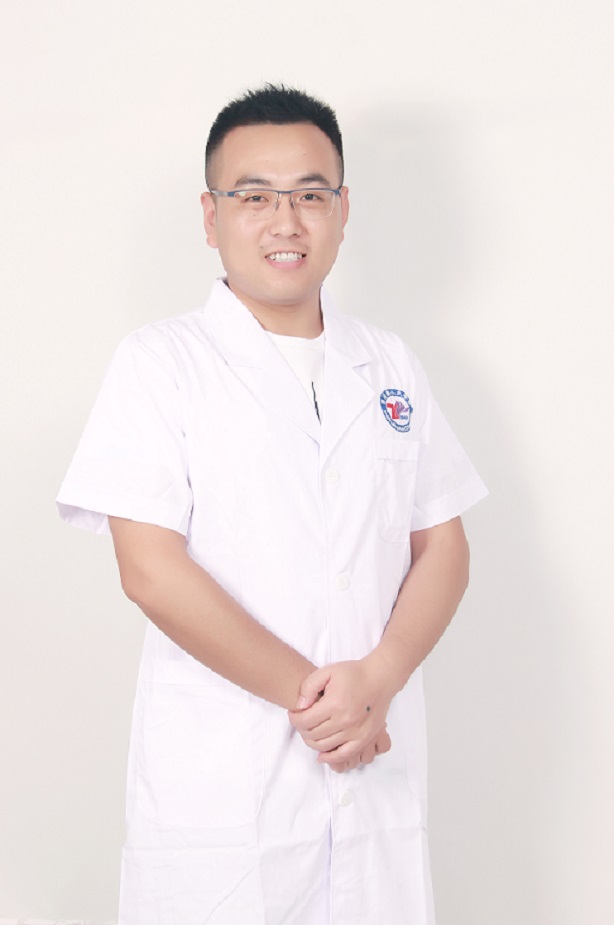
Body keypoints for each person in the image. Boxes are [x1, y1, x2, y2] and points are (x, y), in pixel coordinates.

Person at [57, 84, 487, 925]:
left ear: (342, 210)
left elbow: (445, 544)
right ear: (211, 215)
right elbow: (149, 570)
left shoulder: (389, 364)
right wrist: (326, 705)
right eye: (254, 196)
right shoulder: (161, 363)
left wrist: (379, 680)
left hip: (373, 770)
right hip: (228, 782)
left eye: (310, 196)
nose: (285, 221)